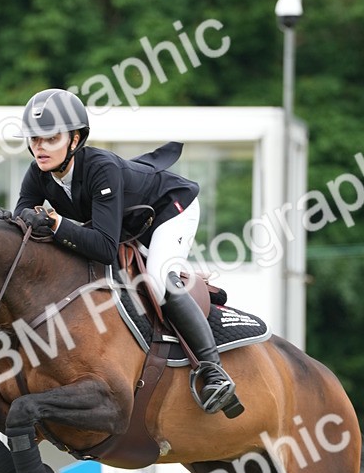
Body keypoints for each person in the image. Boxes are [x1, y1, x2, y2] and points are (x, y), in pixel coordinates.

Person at [12, 88, 241, 416]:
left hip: (169, 209)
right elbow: (22, 213)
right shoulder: (38, 173)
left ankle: (213, 371)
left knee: (158, 279)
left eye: (51, 138)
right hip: (128, 222)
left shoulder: (100, 169)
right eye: (35, 139)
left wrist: (58, 224)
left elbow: (105, 248)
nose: (40, 147)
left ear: (75, 139)